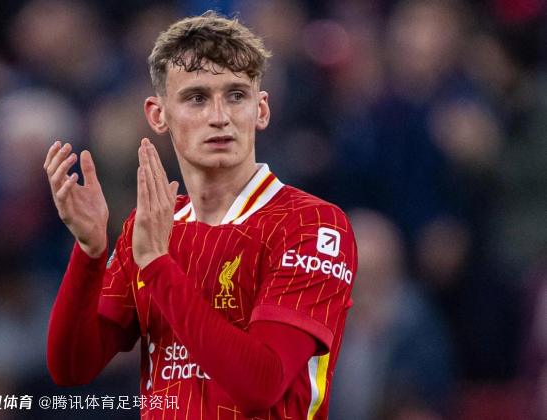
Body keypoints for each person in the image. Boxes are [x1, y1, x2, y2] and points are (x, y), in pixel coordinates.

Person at [44, 11, 357, 420]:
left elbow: (261, 385)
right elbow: (71, 368)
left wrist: (158, 265)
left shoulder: (312, 225)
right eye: (197, 98)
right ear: (158, 115)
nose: (219, 116)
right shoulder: (151, 226)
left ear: (261, 110)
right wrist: (89, 252)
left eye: (236, 95)